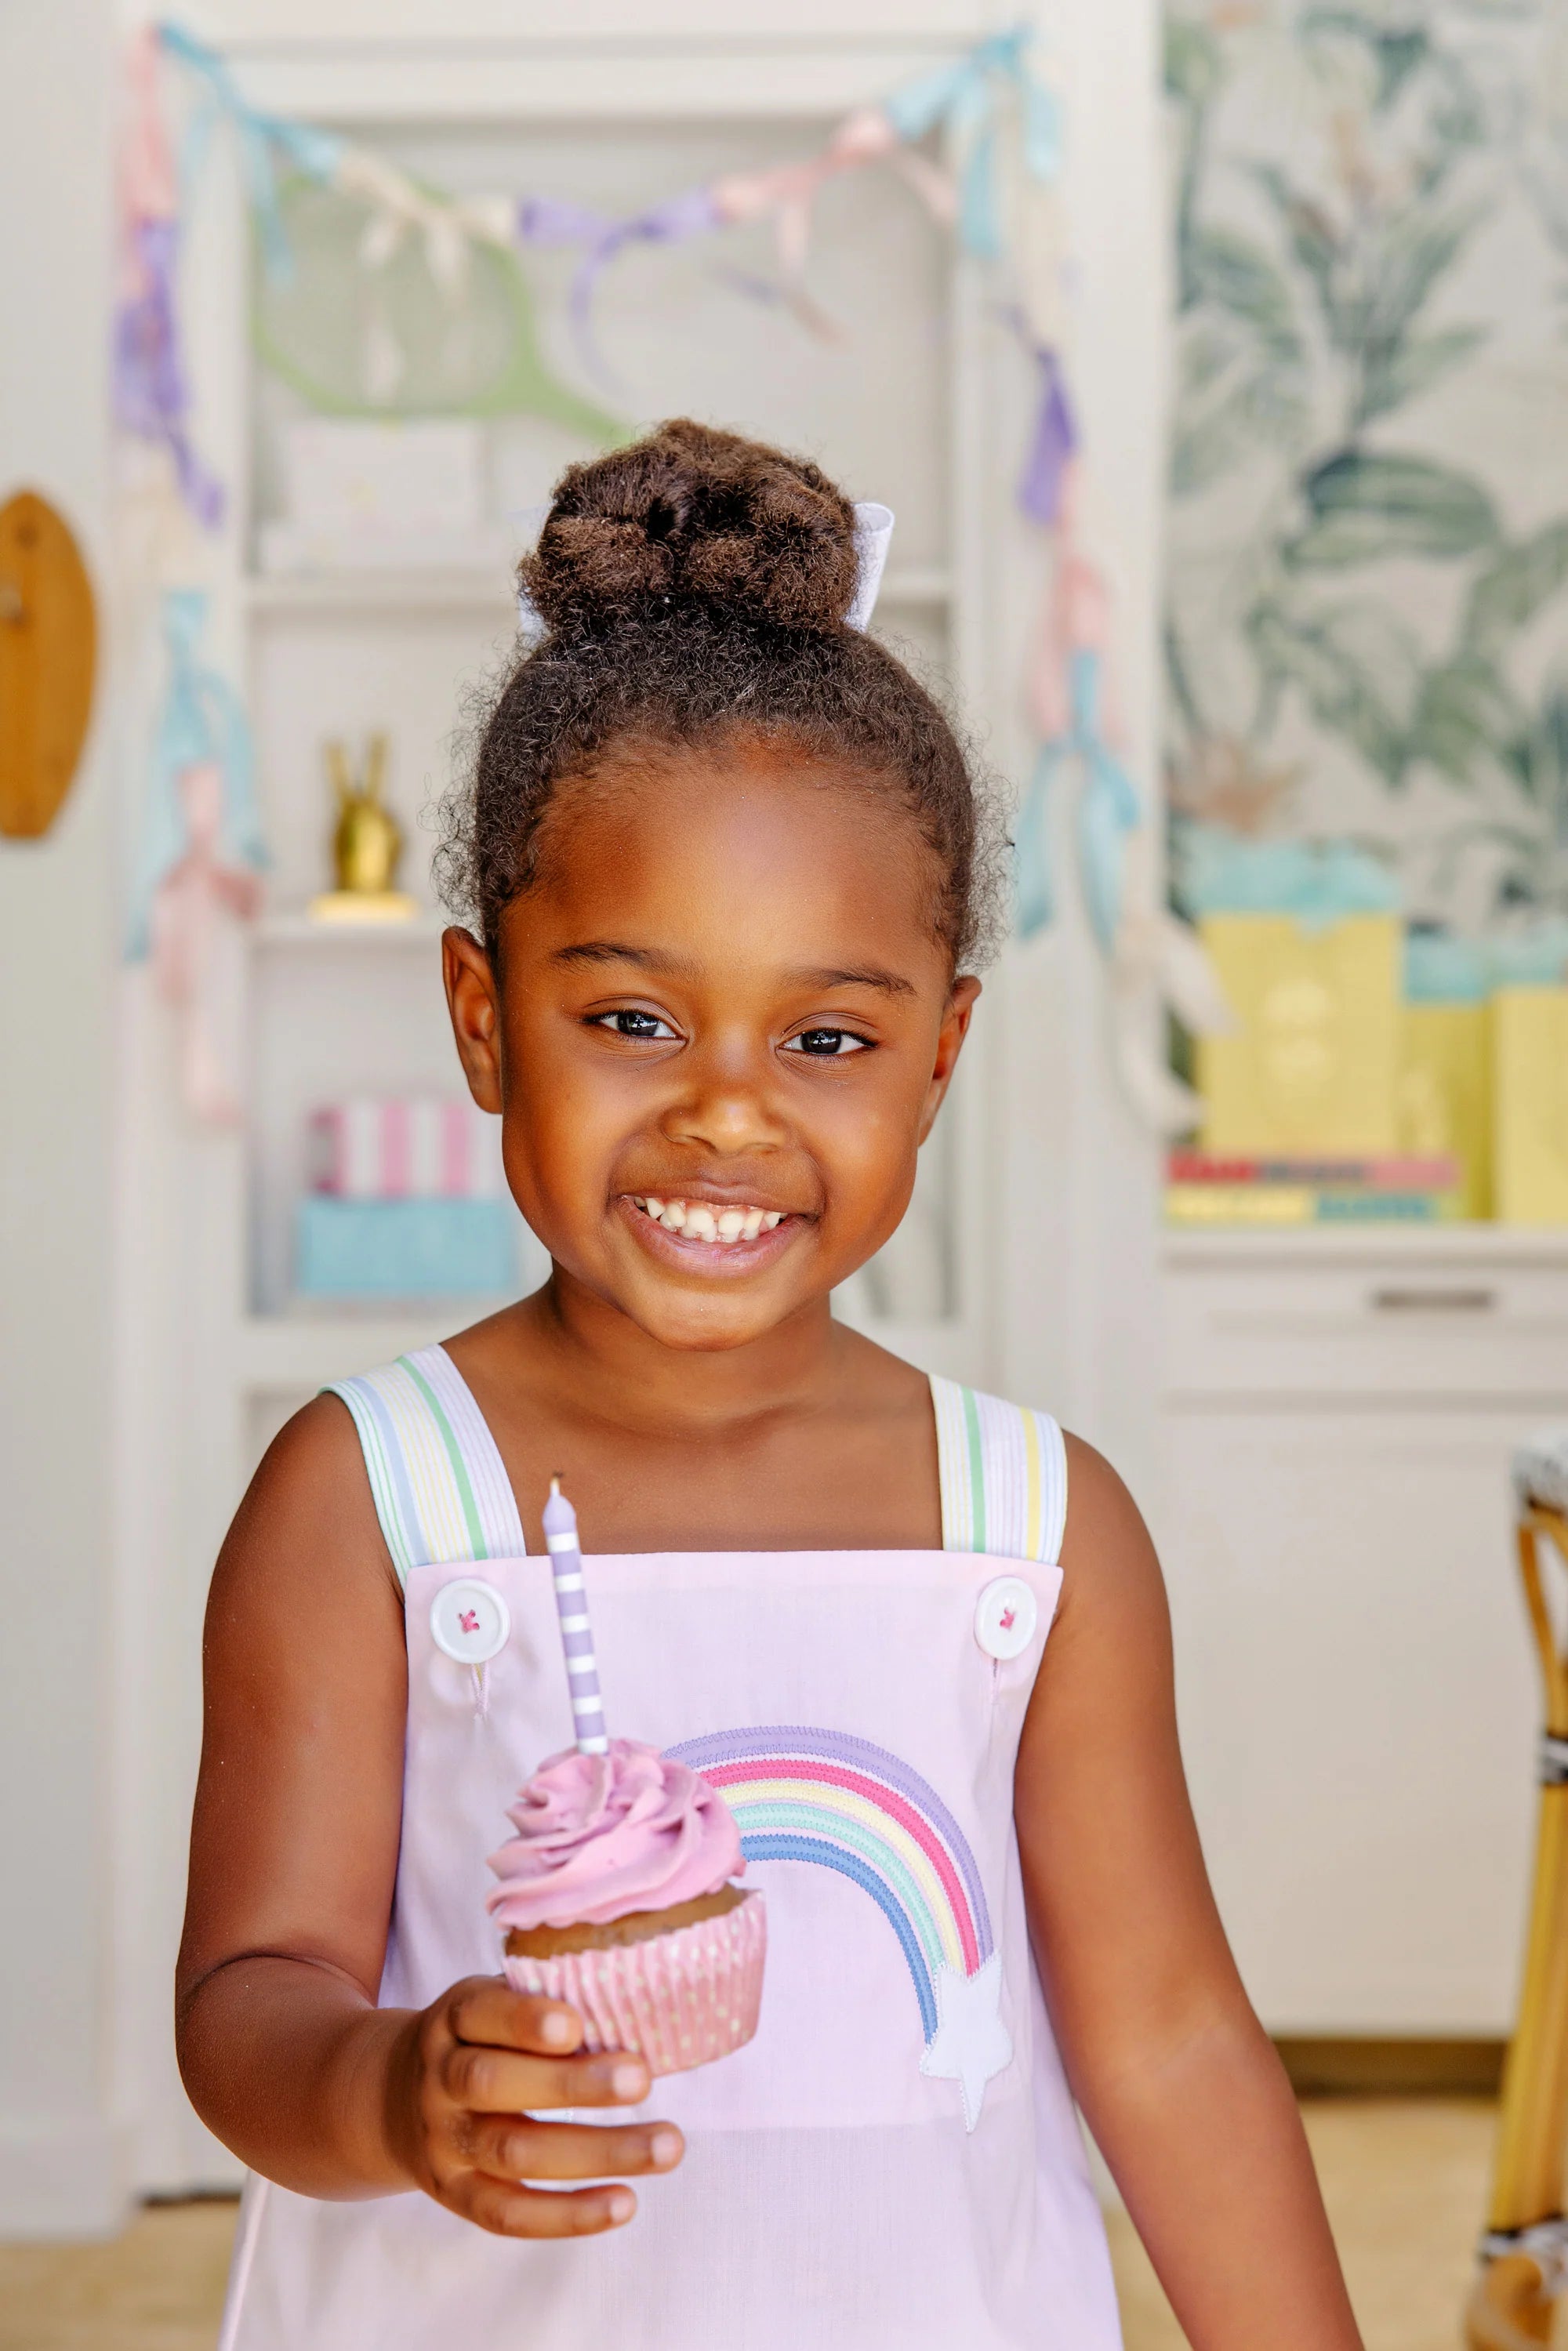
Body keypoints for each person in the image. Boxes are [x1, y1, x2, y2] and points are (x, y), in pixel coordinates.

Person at [178, 420, 1363, 2350]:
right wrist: (392, 2089)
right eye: (630, 1017)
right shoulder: (369, 1497)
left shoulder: (1040, 1531)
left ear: (937, 1061)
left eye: (825, 1033)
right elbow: (249, 1995)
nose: (725, 1109)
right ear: (487, 1023)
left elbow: (1168, 2043)